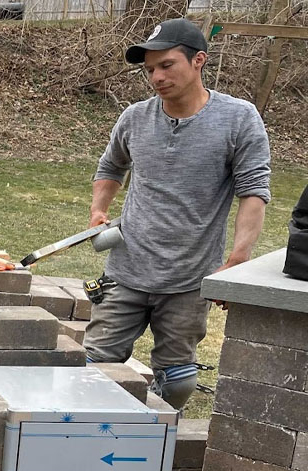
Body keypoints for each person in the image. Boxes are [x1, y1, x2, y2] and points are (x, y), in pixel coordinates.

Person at [84, 17, 271, 410]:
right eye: (150, 69)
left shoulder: (238, 119)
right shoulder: (135, 118)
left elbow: (253, 191)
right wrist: (99, 210)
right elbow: (110, 167)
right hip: (126, 270)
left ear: (198, 60)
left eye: (166, 65)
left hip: (189, 279)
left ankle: (153, 443)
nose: (156, 77)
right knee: (92, 370)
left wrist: (237, 261)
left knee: (178, 383)